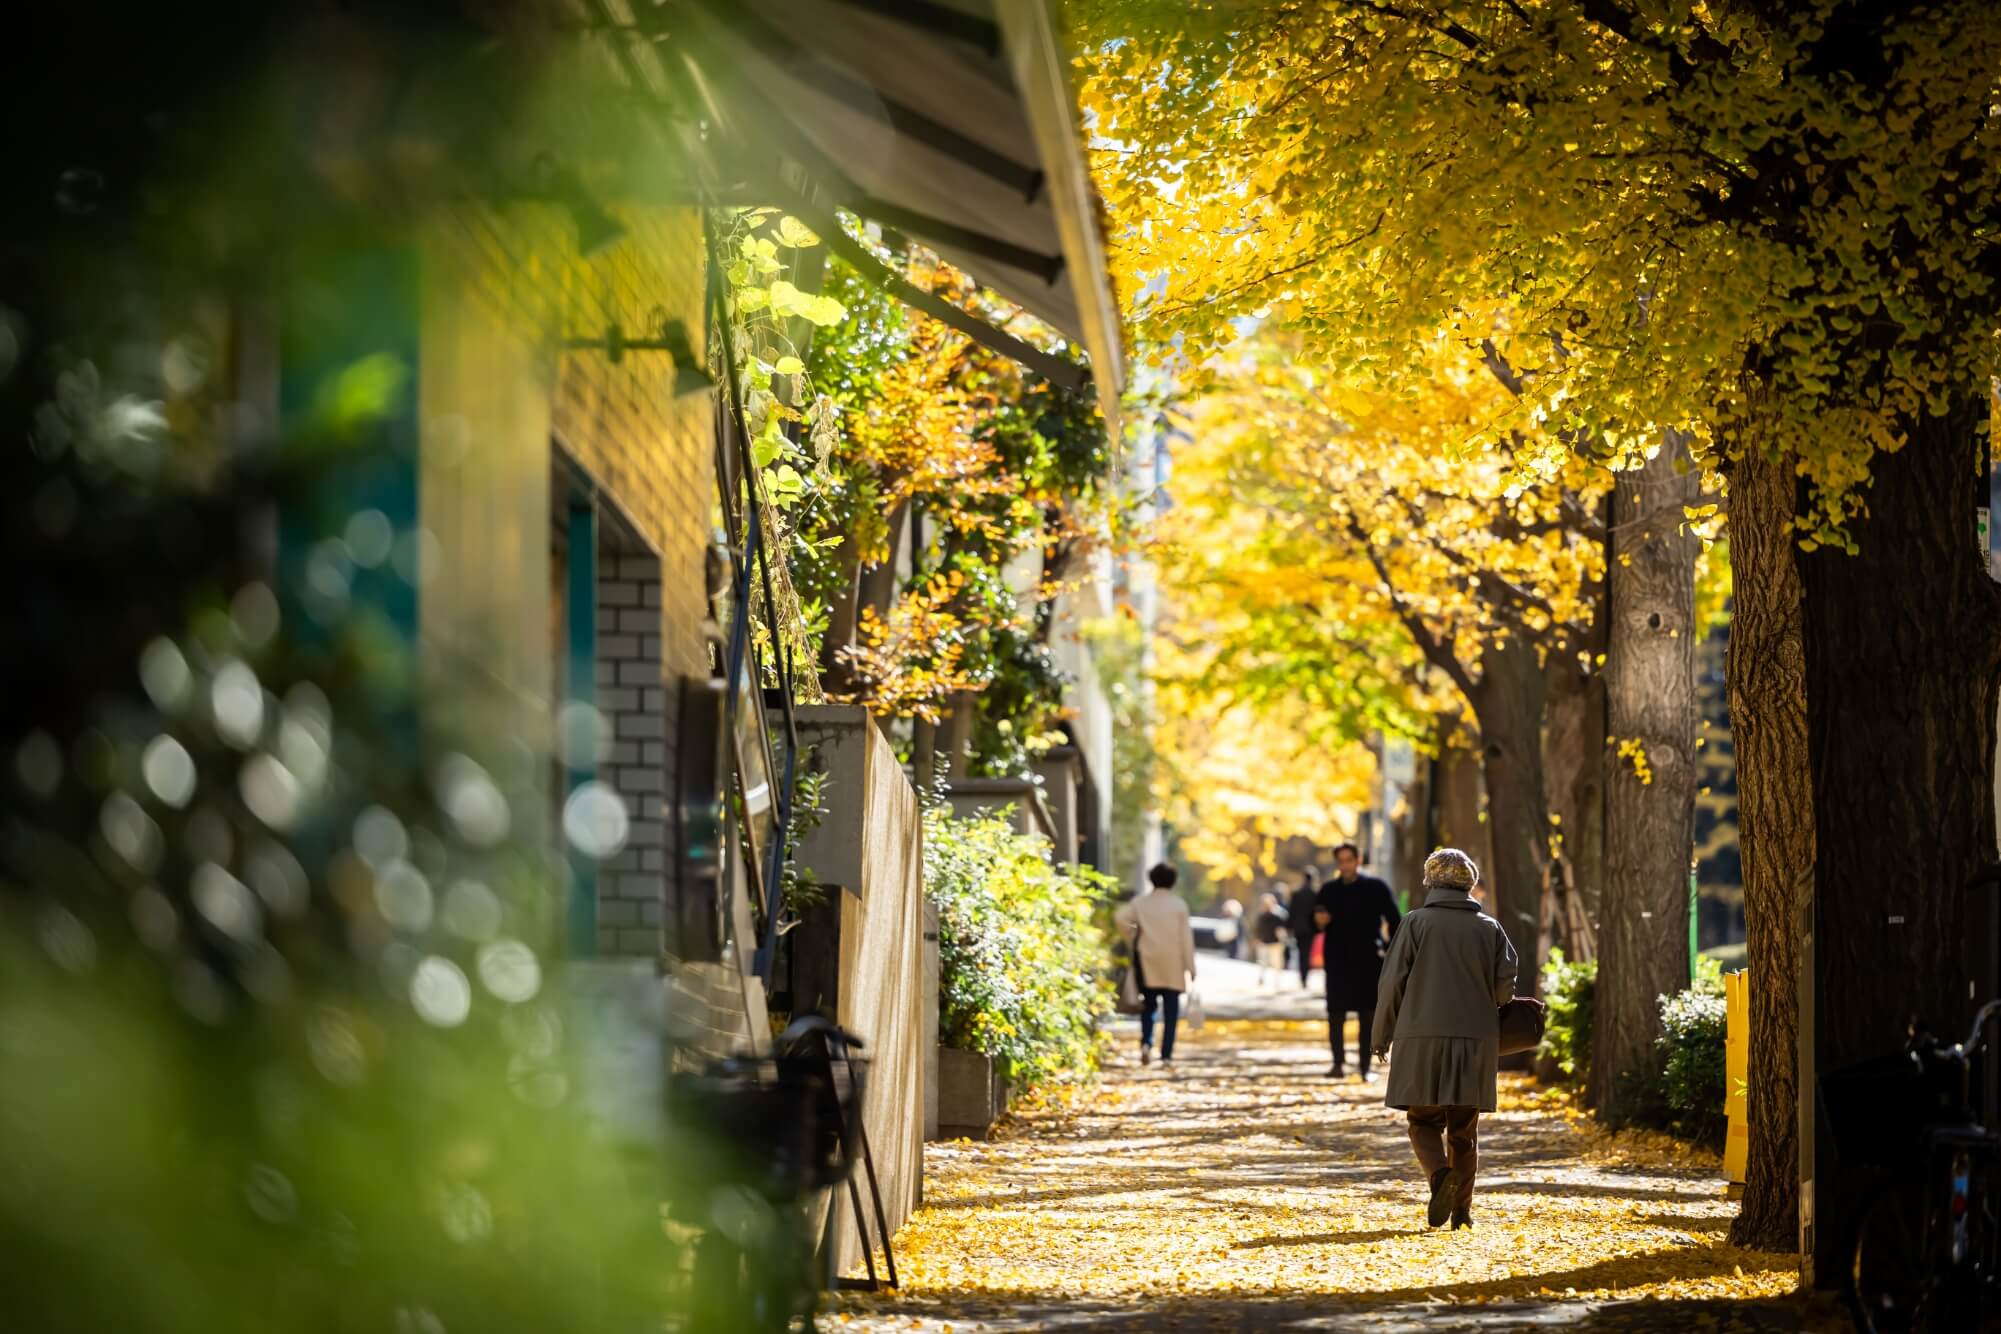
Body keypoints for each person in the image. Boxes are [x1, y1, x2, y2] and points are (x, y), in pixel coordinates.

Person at [1371, 848, 1519, 1232]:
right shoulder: (1490, 928)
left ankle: (1439, 1178)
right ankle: (1463, 1213)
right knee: (1464, 1129)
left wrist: (1381, 1035)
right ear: (1470, 883)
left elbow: (1392, 983)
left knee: (1422, 1119)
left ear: (1431, 882)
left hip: (1422, 1037)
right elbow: (1506, 987)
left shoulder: (1415, 923)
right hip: (1475, 1040)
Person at [1316, 842, 1402, 1081]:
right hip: (1337, 961)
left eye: (1349, 860)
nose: (1345, 865)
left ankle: (1365, 1066)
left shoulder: (1375, 888)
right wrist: (1319, 921)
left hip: (1367, 960)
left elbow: (1395, 920)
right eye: (1340, 861)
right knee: (1336, 1014)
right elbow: (1313, 921)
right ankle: (1337, 1064)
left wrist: (1387, 948)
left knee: (1368, 1015)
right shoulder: (1329, 890)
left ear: (1358, 860)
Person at [1115, 862, 1197, 1066]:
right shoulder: (1179, 905)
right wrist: (1190, 967)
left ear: (1151, 879)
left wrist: (1132, 935)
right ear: (1173, 881)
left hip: (1147, 959)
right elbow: (1186, 938)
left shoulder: (1140, 903)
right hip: (1173, 963)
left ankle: (1146, 1043)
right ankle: (1166, 1055)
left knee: (1148, 1006)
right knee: (1171, 1011)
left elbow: (1120, 917)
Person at [1286, 868, 1322, 990]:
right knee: (1306, 952)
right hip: (1310, 928)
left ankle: (1303, 976)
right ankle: (1304, 977)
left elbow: (1292, 911)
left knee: (1302, 952)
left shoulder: (1297, 893)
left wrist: (1289, 927)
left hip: (1298, 928)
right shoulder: (1315, 893)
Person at [1252, 891, 1288, 989]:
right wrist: (1257, 939)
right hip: (1264, 942)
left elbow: (1282, 930)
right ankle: (1261, 978)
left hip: (1275, 943)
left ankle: (1277, 980)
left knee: (1276, 962)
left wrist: (1282, 940)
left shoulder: (1278, 915)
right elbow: (1257, 928)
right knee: (1262, 961)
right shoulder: (1262, 915)